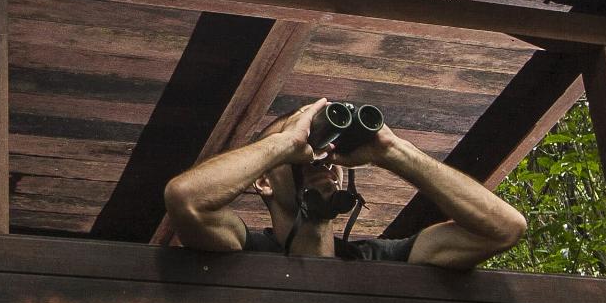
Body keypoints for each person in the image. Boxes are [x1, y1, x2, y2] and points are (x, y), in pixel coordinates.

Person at [162, 97, 527, 270]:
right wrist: (285, 143)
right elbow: (185, 199)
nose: (315, 158)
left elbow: (503, 229)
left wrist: (392, 150)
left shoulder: (382, 260)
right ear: (263, 181)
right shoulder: (241, 250)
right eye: (297, 158)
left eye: (321, 154)